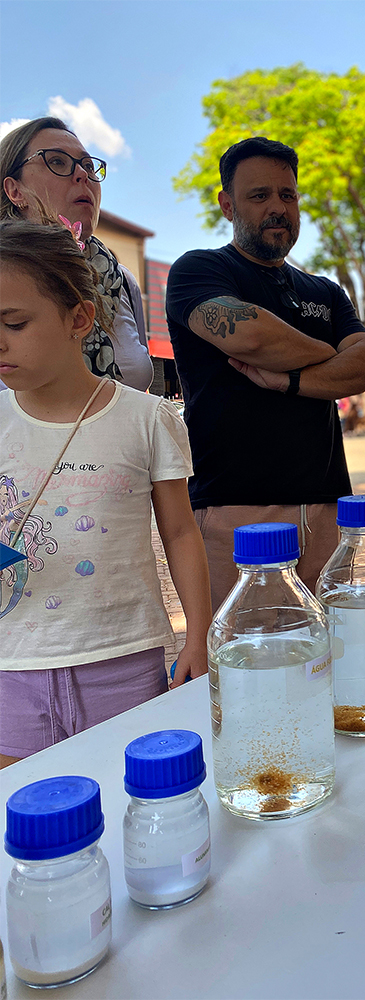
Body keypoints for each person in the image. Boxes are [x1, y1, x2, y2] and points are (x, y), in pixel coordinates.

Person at [0, 220, 212, 766]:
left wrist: (199, 636)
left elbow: (181, 532)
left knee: (131, 803)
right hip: (11, 668)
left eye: (14, 322)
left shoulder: (147, 418)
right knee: (24, 820)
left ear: (80, 317)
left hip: (124, 661)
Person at [165, 137, 365, 609]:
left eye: (288, 195)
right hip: (236, 513)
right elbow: (252, 338)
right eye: (259, 195)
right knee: (247, 664)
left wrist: (290, 378)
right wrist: (330, 354)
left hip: (327, 510)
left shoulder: (324, 291)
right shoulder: (198, 270)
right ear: (227, 205)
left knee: (331, 658)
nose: (278, 208)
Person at [1, 116, 153, 391]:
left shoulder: (122, 282)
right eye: (57, 161)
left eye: (88, 166)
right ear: (14, 190)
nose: (82, 174)